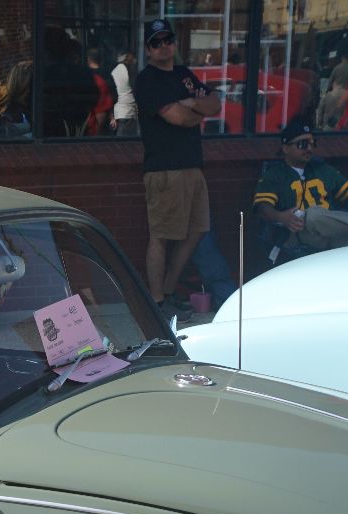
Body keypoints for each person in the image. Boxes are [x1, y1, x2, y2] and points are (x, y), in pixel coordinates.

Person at [133, 18, 221, 318]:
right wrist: (193, 108)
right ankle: (156, 301)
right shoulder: (147, 80)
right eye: (156, 42)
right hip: (164, 170)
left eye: (167, 40)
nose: (164, 46)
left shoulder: (184, 74)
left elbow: (214, 104)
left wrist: (189, 103)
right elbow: (178, 118)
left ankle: (168, 290)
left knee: (197, 230)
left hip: (193, 166)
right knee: (161, 235)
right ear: (148, 49)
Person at [253, 118, 348, 264]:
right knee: (312, 214)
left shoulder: (323, 170)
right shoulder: (275, 174)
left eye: (312, 143)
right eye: (302, 144)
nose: (309, 148)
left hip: (331, 232)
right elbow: (262, 207)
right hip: (297, 234)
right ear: (286, 148)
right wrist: (281, 217)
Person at [110, 51, 138, 135]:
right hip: (127, 112)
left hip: (121, 112)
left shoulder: (115, 71)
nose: (135, 61)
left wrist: (112, 116)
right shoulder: (128, 71)